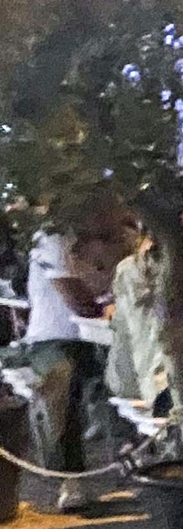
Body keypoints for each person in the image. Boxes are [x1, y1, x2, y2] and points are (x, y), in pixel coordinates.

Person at [12, 215, 127, 504]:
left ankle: (149, 451)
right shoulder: (52, 238)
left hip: (97, 337)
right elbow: (77, 299)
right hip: (52, 338)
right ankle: (69, 479)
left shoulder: (113, 235)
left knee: (141, 367)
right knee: (61, 378)